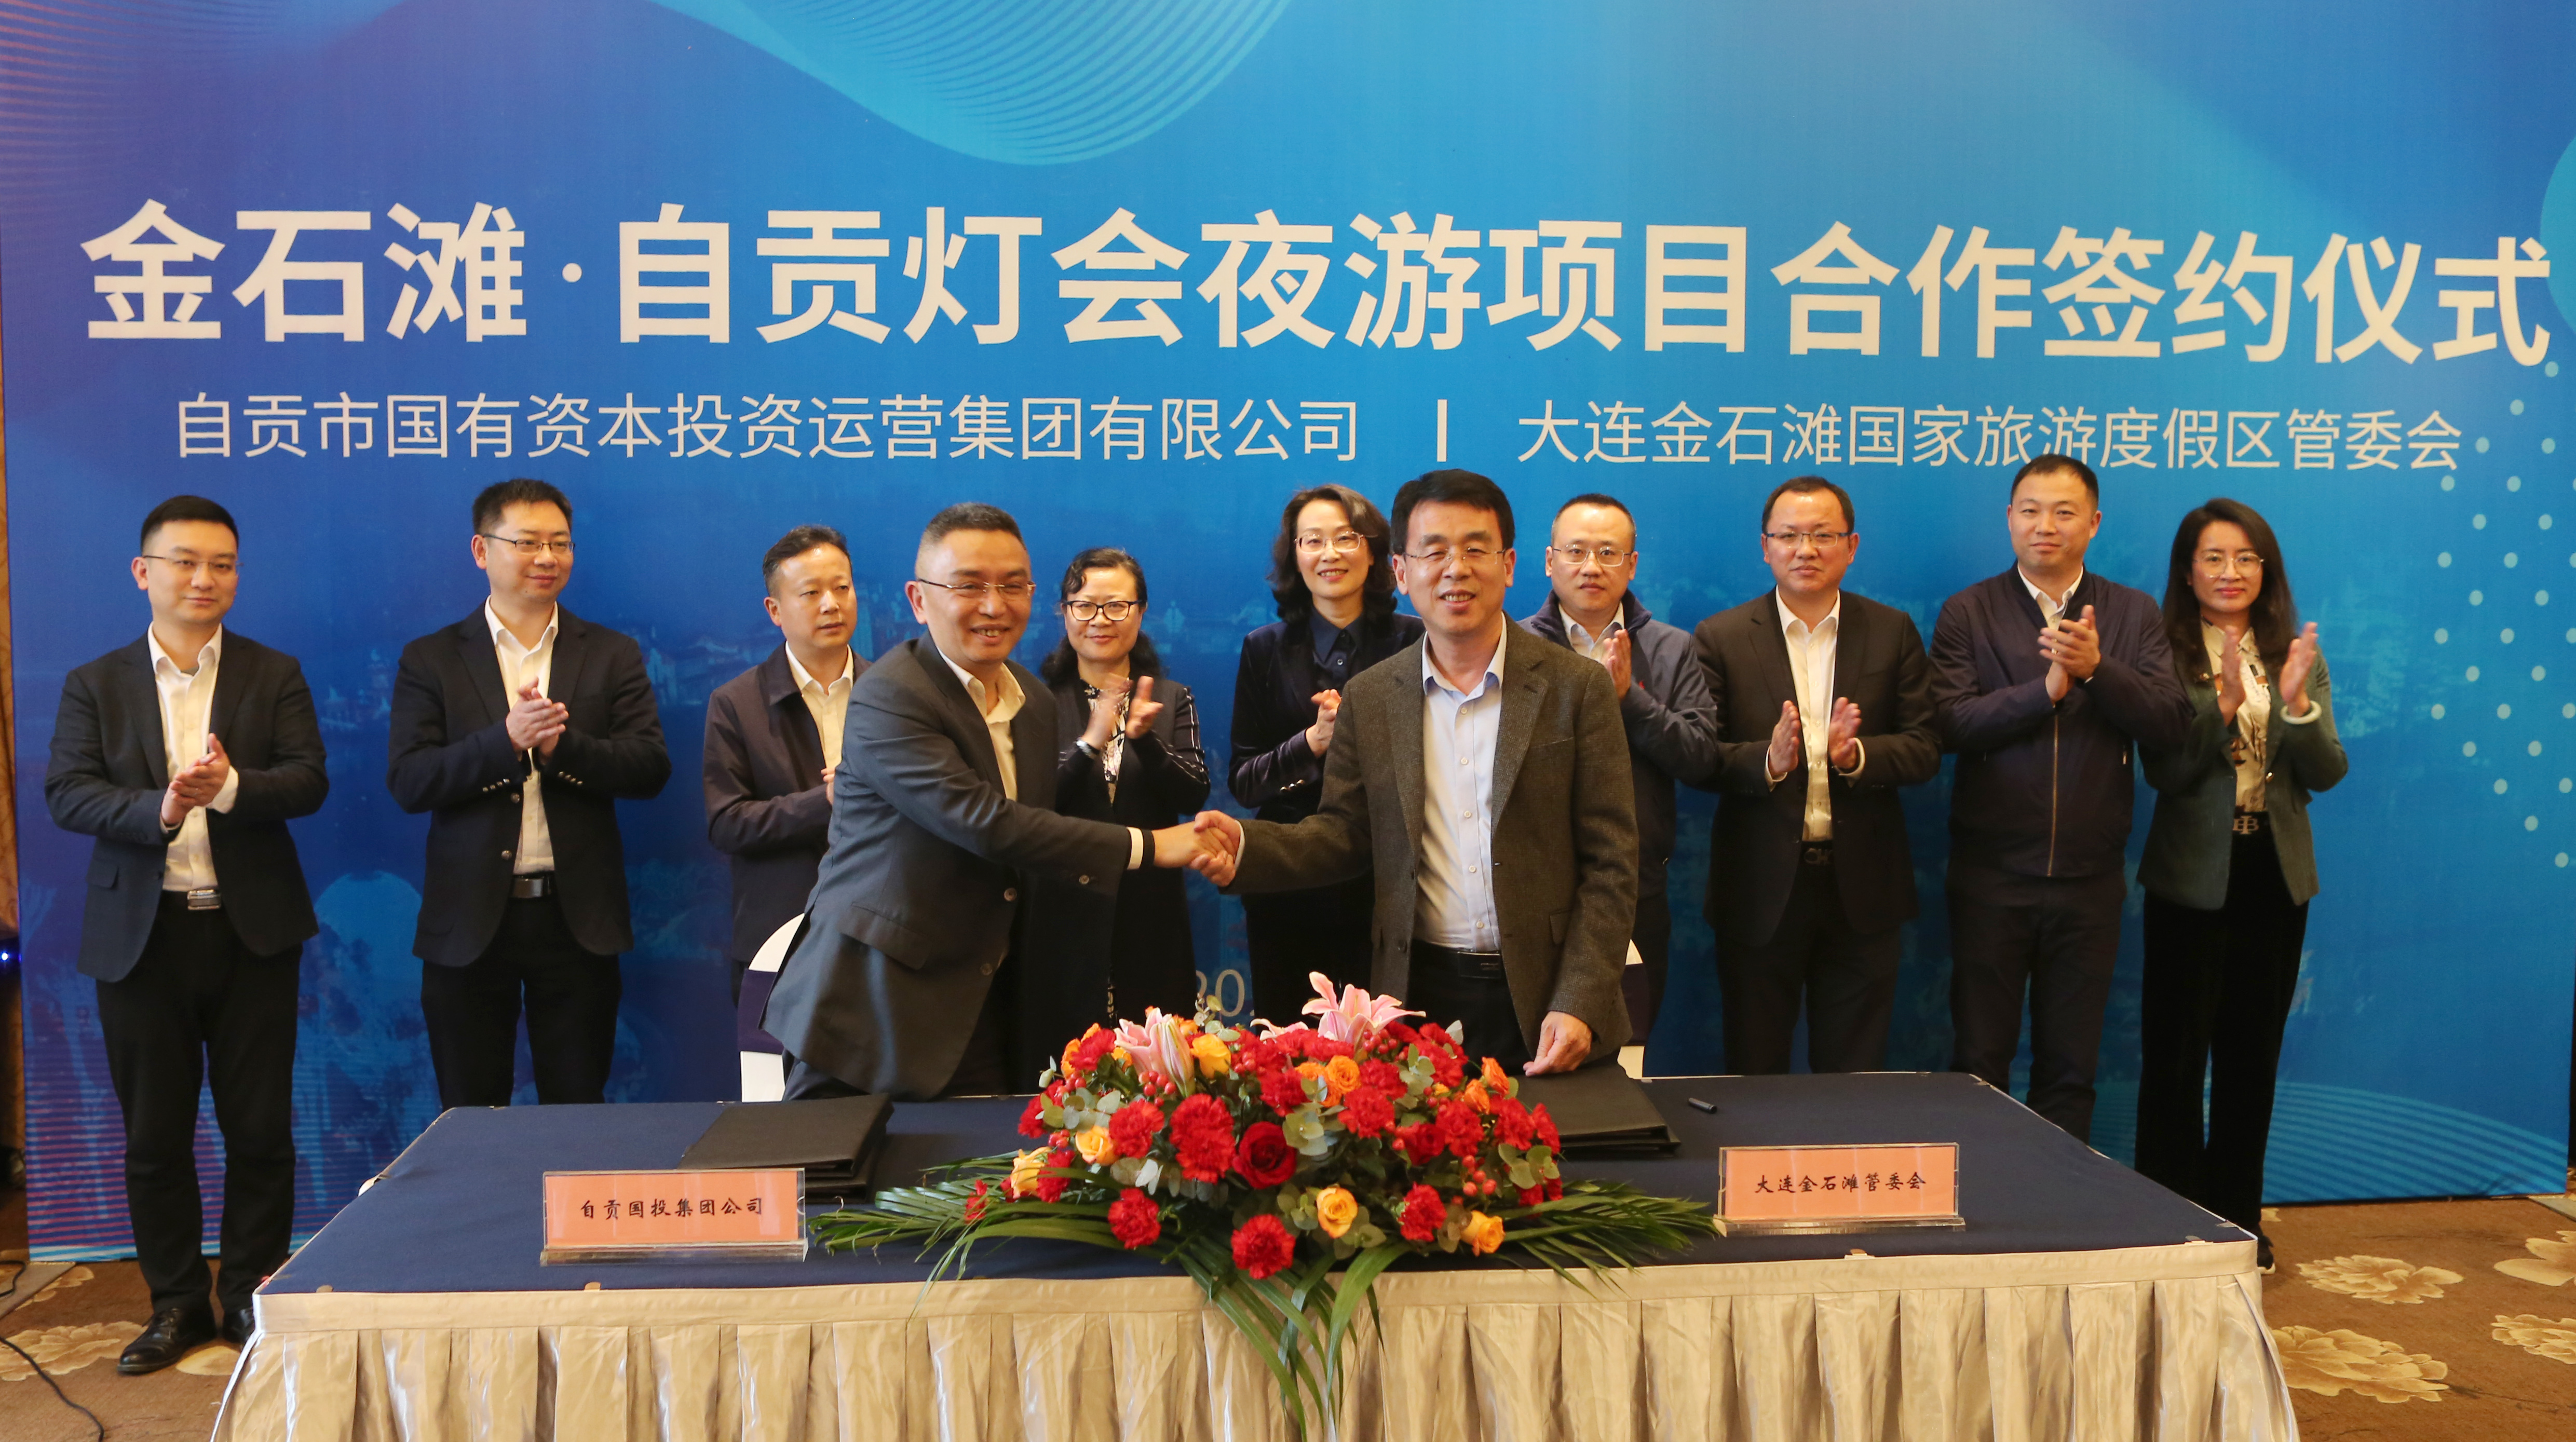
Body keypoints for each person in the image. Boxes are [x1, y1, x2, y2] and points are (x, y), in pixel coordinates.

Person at [760, 504, 1231, 1100]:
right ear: (919, 599)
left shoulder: (1031, 701)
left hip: (990, 1003)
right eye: (969, 586)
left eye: (1013, 586)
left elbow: (1038, 837)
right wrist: (1152, 845)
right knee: (851, 1163)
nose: (994, 605)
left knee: (990, 1157)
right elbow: (987, 823)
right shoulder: (891, 695)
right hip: (877, 1010)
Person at [1203, 469, 1635, 1074]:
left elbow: (1612, 862)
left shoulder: (1577, 687)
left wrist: (1579, 1000)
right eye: (1433, 551)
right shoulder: (1372, 696)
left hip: (1548, 1002)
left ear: (1510, 565)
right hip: (1417, 1002)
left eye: (1476, 549)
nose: (1456, 569)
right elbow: (1344, 834)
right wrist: (1248, 849)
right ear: (1402, 573)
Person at [43, 496, 328, 1370]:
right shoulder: (96, 681)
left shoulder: (272, 672)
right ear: (144, 572)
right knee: (154, 1136)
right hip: (142, 939)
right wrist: (161, 807)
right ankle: (174, 1304)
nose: (206, 578)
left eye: (223, 564)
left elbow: (309, 780)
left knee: (260, 1130)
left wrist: (231, 788)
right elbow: (68, 792)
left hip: (251, 934)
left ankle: (246, 1293)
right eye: (186, 561)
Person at [388, 479, 672, 1109]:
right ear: (481, 551)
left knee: (577, 1108)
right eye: (528, 543)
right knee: (471, 1113)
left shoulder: (612, 653)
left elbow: (650, 768)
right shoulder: (432, 659)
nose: (547, 557)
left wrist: (560, 749)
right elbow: (410, 780)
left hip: (577, 921)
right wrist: (506, 741)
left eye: (560, 543)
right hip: (469, 922)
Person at [1931, 454, 2191, 1140]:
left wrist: (2097, 670)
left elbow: (2169, 721)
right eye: (2030, 510)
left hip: (2089, 880)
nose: (2044, 525)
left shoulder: (2131, 612)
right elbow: (1948, 723)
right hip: (1991, 876)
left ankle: (2062, 1198)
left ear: (2094, 523)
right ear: (2009, 519)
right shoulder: (1969, 610)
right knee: (1979, 1061)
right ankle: (1982, 1197)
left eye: (2063, 512)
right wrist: (2041, 694)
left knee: (2070, 1067)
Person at [2135, 499, 2345, 1269]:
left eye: (2246, 558)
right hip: (2191, 874)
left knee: (2250, 1059)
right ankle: (2167, 1221)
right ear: (2187, 570)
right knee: (2175, 1057)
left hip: (2272, 875)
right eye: (2214, 558)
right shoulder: (2161, 649)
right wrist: (2221, 706)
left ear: (2266, 569)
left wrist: (2296, 705)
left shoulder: (2294, 651)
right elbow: (2165, 771)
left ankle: (2236, 1222)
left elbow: (2327, 770)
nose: (2231, 572)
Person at [1693, 477, 1941, 1074]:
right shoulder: (1722, 637)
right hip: (1759, 888)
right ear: (1765, 547)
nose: (1805, 549)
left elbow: (1926, 747)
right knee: (1755, 1070)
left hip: (1863, 889)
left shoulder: (1892, 631)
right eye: (1789, 536)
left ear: (1851, 546)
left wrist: (1855, 757)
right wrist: (1768, 762)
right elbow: (1701, 757)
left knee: (1853, 1078)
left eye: (1823, 536)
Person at [1521, 492, 1718, 1039]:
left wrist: (1632, 699)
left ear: (1631, 565)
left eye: (1608, 553)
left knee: (1629, 1045)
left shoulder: (1673, 649)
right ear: (1549, 561)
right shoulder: (1511, 646)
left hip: (1635, 886)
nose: (1591, 567)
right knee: (1536, 1048)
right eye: (1576, 551)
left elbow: (1702, 757)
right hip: (1534, 888)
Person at [1228, 484, 1425, 1024]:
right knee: (1288, 1046)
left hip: (1386, 880)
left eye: (1346, 538)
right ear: (1294, 556)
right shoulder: (1264, 648)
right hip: (1288, 884)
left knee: (1387, 1048)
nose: (1329, 554)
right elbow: (1244, 781)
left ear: (1375, 551)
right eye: (1312, 541)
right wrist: (1310, 744)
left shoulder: (1417, 642)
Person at [1036, 547, 1211, 1024]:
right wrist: (1090, 743)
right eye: (1084, 606)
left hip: (1152, 910)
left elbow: (1194, 793)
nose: (1100, 619)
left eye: (1116, 606)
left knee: (1156, 1051)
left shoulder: (1171, 698)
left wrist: (1146, 741)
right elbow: (1032, 803)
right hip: (1065, 908)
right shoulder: (1038, 702)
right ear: (1064, 612)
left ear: (1142, 611)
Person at [704, 525, 865, 1005]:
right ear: (775, 610)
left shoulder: (896, 694)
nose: (831, 605)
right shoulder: (737, 703)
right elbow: (726, 823)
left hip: (881, 938)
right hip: (779, 942)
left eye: (842, 588)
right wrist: (827, 800)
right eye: (811, 593)